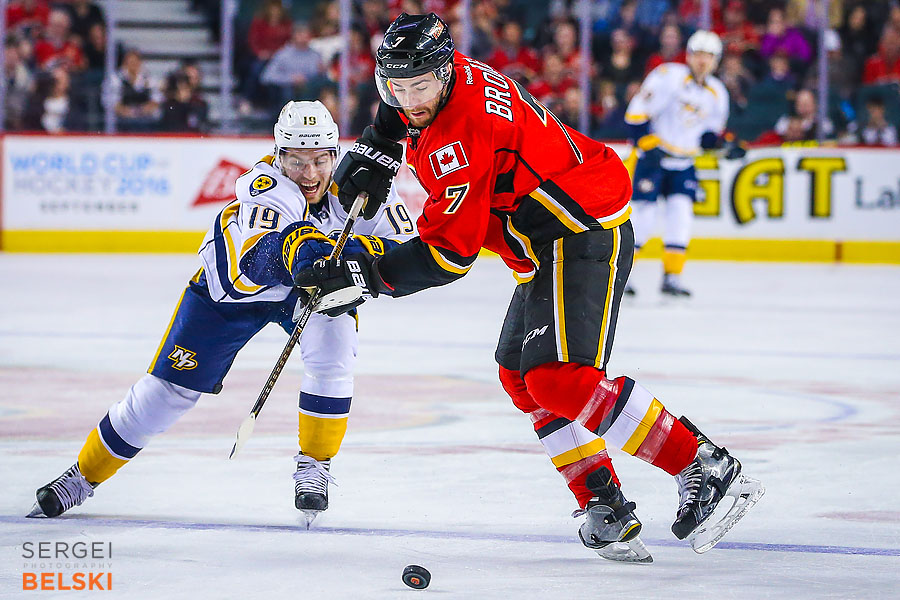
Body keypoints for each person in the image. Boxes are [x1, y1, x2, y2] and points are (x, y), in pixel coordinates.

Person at [291, 13, 764, 561]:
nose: (408, 98)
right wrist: (380, 140)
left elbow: (450, 255)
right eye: (395, 86)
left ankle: (702, 465)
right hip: (548, 234)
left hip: (580, 228)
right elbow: (405, 102)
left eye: (419, 85)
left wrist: (362, 276)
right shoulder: (449, 77)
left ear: (443, 75)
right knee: (520, 376)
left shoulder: (457, 139)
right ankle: (603, 502)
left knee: (559, 379)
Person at [27, 101, 415, 526]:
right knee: (166, 394)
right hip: (231, 289)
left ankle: (315, 464)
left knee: (335, 351)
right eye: (297, 161)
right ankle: (81, 477)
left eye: (320, 160)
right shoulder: (264, 184)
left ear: (334, 155)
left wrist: (354, 258)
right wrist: (310, 254)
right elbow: (263, 257)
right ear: (278, 155)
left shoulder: (363, 184)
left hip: (309, 290)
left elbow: (404, 250)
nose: (308, 174)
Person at [623, 30, 731, 297]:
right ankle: (621, 275)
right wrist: (648, 146)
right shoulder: (667, 77)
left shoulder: (717, 93)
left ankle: (672, 277)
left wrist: (723, 145)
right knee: (642, 220)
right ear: (689, 55)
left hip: (684, 163)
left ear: (716, 60)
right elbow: (636, 115)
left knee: (681, 217)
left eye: (708, 56)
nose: (702, 61)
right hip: (654, 160)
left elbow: (707, 136)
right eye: (698, 54)